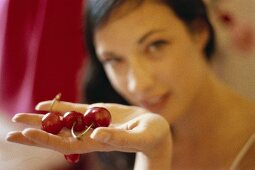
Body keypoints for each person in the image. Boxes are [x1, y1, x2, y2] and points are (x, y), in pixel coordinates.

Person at [6, 0, 255, 169]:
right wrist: (151, 155)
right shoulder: (117, 144)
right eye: (114, 60)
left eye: (155, 45)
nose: (138, 84)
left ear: (199, 32)